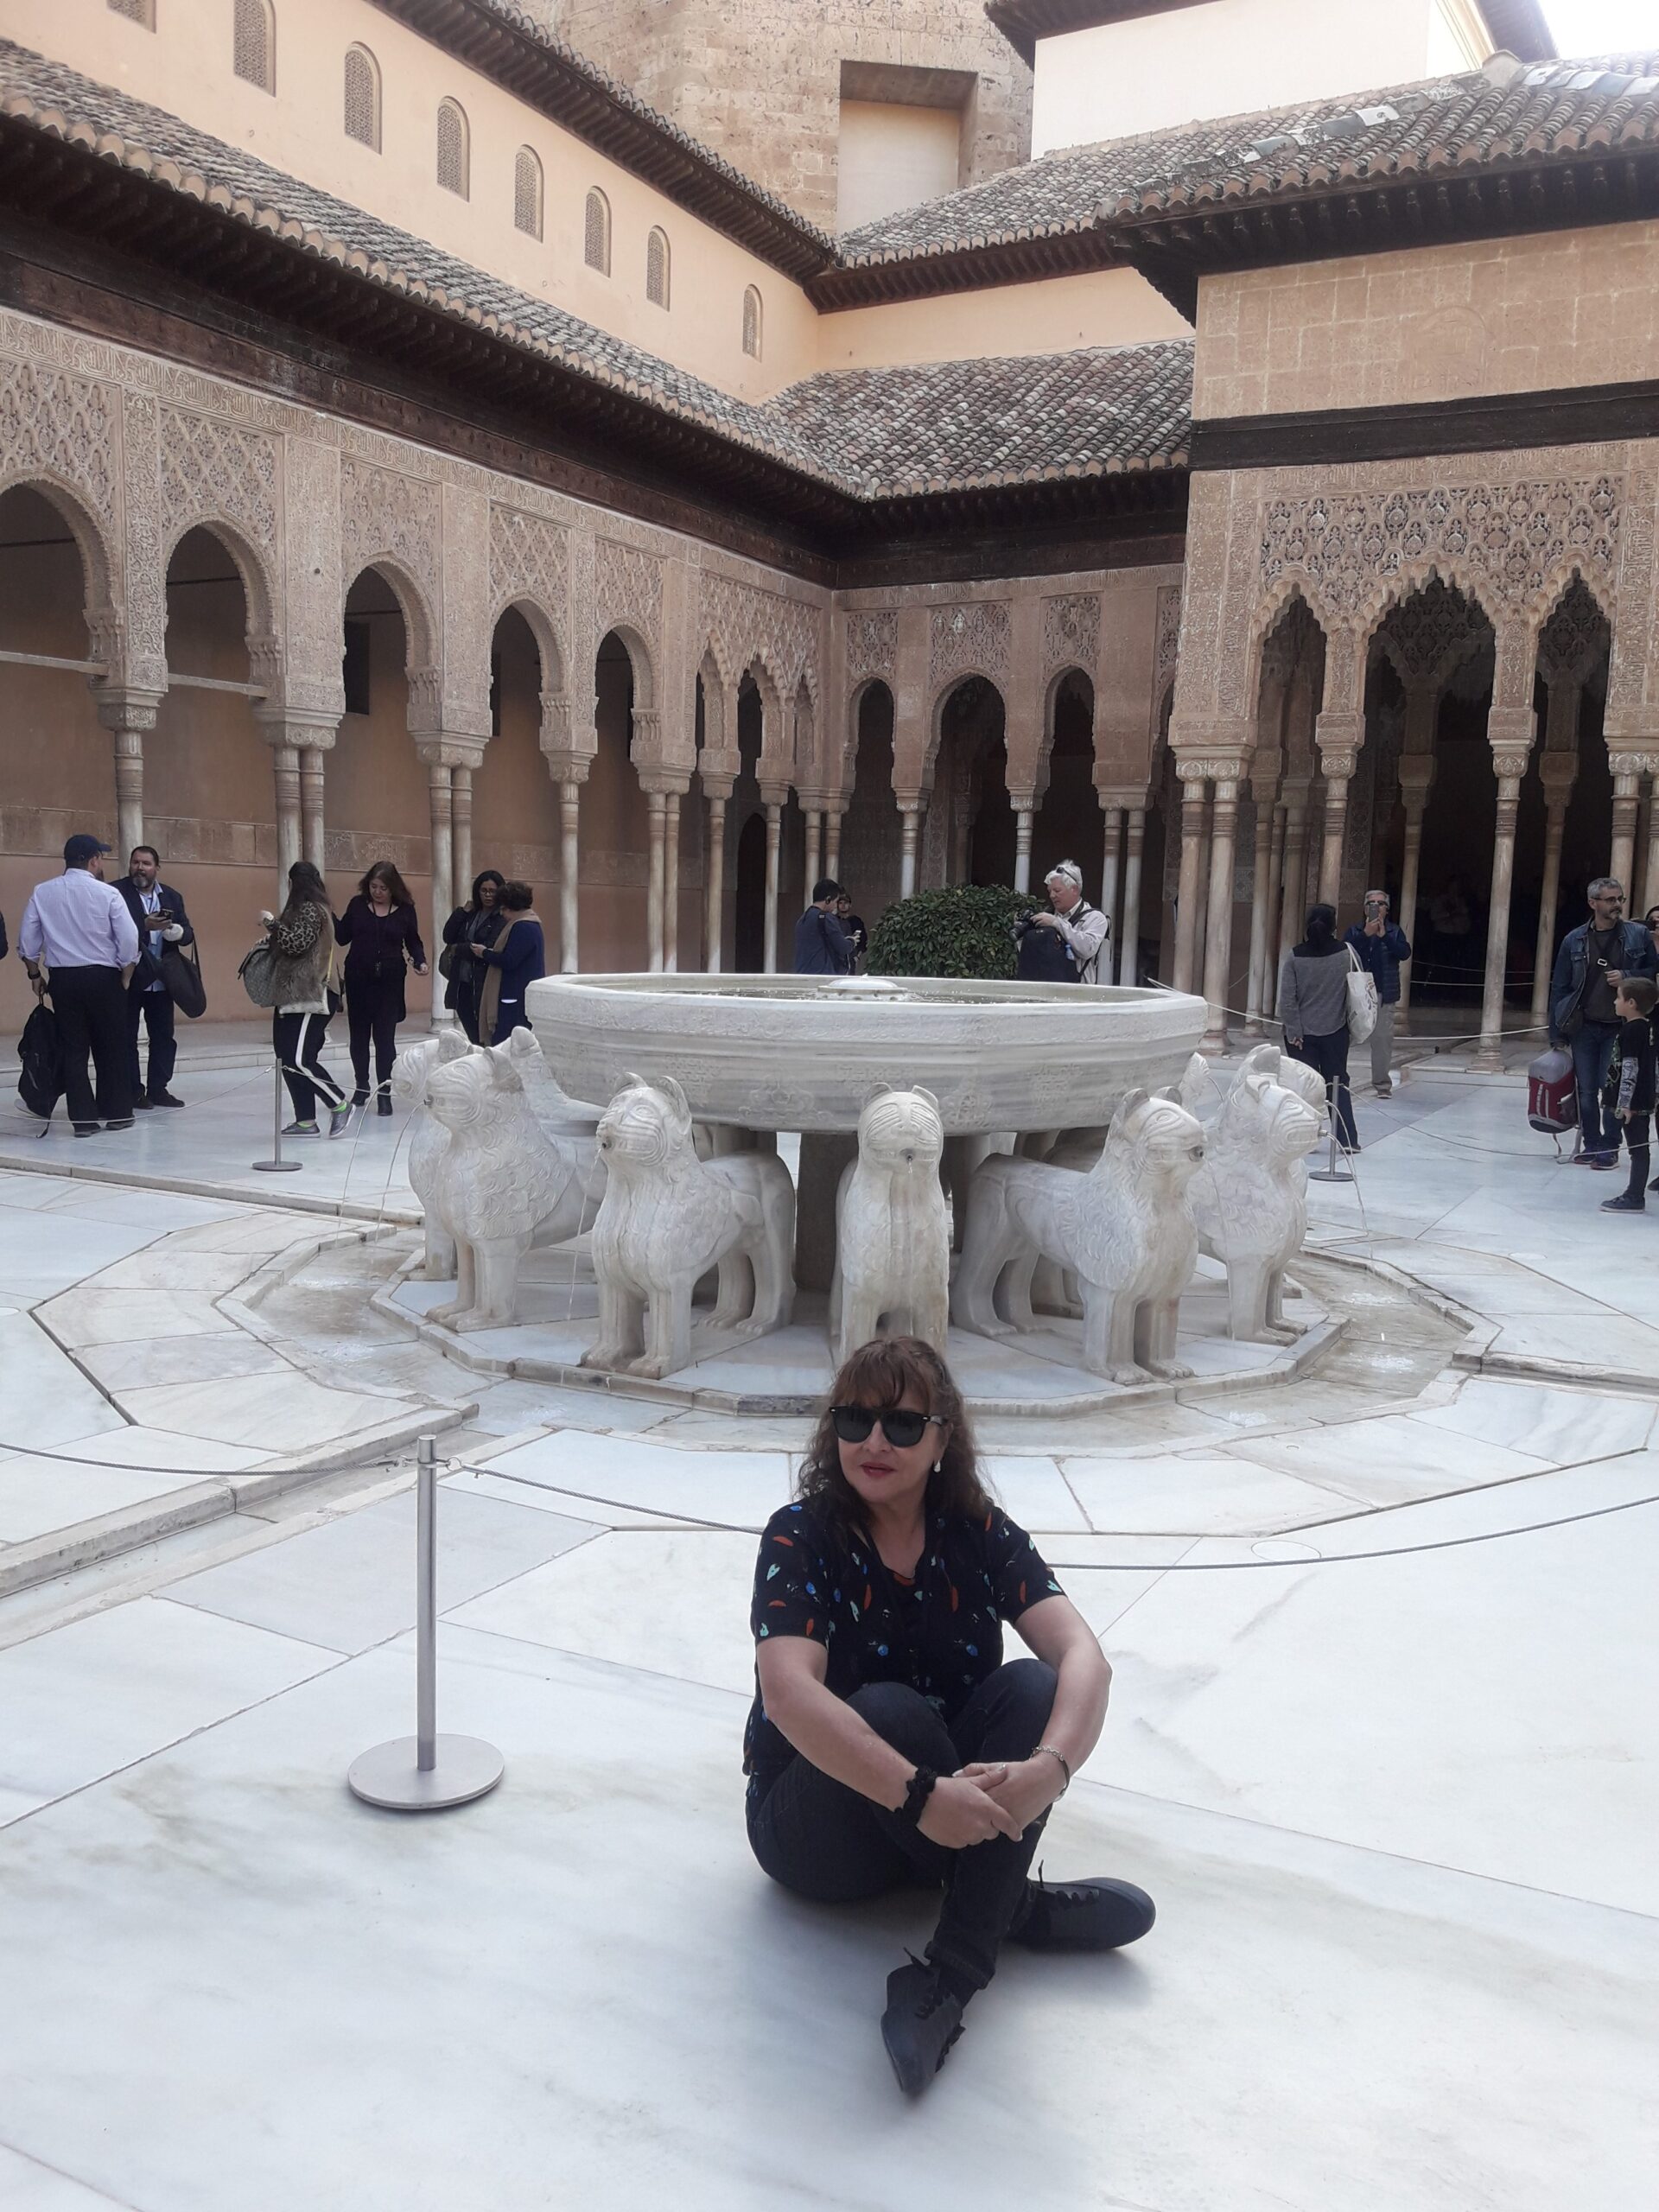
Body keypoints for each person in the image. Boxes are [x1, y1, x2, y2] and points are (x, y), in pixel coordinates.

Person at [746, 1336, 1154, 2096]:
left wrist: (1050, 1771)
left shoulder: (976, 1530)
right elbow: (789, 1695)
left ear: (942, 1440)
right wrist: (919, 1795)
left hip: (939, 1816)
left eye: (902, 1424)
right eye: (854, 1420)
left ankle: (955, 1961)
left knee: (1033, 1687)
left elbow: (1083, 1658)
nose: (874, 1442)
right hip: (817, 1829)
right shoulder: (801, 1534)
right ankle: (1004, 1911)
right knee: (887, 1708)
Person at [17, 833, 138, 1137]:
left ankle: (83, 1120)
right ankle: (117, 1113)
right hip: (103, 977)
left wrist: (35, 975)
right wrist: (126, 973)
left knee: (73, 1050)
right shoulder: (108, 893)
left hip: (64, 979)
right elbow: (128, 938)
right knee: (111, 1047)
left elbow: (27, 942)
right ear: (94, 860)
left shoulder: (43, 892)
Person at [1548, 877, 1658, 1169]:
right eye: (1610, 900)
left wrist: (1627, 976)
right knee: (1585, 1091)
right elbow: (1560, 987)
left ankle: (1609, 1147)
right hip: (1584, 1025)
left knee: (1610, 1088)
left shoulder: (1638, 935)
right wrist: (1556, 1033)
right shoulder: (1574, 940)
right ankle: (1592, 1144)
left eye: (1620, 899)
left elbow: (1652, 973)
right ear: (1593, 903)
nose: (1617, 905)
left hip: (1618, 1026)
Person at [262, 861, 353, 1139]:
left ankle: (339, 1104)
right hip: (293, 994)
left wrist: (271, 923)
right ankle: (305, 1120)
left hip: (312, 993)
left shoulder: (311, 909)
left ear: (293, 883)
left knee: (299, 1058)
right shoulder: (311, 909)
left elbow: (296, 944)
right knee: (287, 1058)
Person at [335, 862, 428, 1115]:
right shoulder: (357, 905)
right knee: (359, 1036)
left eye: (383, 888)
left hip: (389, 980)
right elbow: (342, 937)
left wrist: (420, 961)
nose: (377, 892)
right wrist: (328, 914)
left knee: (385, 1039)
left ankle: (384, 1092)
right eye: (373, 887)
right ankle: (361, 1086)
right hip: (358, 977)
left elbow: (413, 940)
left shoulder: (405, 910)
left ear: (393, 888)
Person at [1278, 901, 1360, 1152]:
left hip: (1302, 1035)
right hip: (1336, 1030)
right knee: (1337, 1084)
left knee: (1305, 1088)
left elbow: (1287, 999)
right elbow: (1355, 988)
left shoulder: (1295, 956)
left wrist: (1294, 1032)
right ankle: (1347, 1140)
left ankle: (1307, 1139)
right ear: (1334, 927)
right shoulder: (1346, 953)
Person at [117, 844, 193, 1110]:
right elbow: (108, 930)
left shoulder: (171, 896)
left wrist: (177, 932)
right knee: (126, 1037)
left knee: (163, 1036)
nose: (140, 868)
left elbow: (189, 934)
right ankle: (133, 1091)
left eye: (146, 863)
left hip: (162, 979)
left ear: (156, 868)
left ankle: (159, 1088)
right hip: (130, 977)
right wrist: (143, 925)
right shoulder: (116, 892)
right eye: (136, 862)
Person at [1599, 976, 1657, 1215]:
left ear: (1631, 1003)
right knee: (1639, 1148)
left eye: (1618, 997)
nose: (1615, 1002)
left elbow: (1631, 1067)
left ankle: (1634, 1197)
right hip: (1642, 1098)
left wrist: (1625, 1104)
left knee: (1638, 1149)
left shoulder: (1632, 1030)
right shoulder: (1648, 1027)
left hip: (1633, 1104)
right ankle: (1634, 1194)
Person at [1344, 889, 1410, 1097]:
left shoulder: (1394, 931)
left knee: (1382, 1041)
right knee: (1344, 1038)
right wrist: (1366, 934)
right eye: (1371, 904)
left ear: (1387, 909)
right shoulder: (1355, 931)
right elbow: (1346, 952)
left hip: (1383, 993)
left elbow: (1404, 953)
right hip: (1357, 993)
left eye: (1380, 904)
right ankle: (1338, 1081)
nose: (1376, 907)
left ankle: (1382, 1085)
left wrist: (1385, 937)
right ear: (1365, 909)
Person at [474, 880, 545, 1044]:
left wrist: (484, 953)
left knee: (507, 1042)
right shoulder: (530, 924)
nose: (501, 913)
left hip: (514, 996)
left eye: (503, 908)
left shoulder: (523, 927)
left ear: (510, 907)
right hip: (519, 994)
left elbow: (510, 960)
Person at [442, 868, 507, 1044]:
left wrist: (457, 948)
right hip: (462, 981)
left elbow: (487, 947)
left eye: (492, 891)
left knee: (485, 1034)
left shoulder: (501, 917)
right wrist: (461, 912)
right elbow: (447, 936)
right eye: (484, 891)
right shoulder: (471, 913)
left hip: (484, 982)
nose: (488, 895)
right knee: (471, 1032)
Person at [1027, 861, 1108, 983]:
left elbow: (1087, 949)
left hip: (1078, 990)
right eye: (1050, 891)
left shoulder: (1095, 917)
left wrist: (1057, 924)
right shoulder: (1047, 915)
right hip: (1045, 986)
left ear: (1074, 889)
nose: (1052, 896)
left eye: (1057, 890)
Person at [794, 877, 853, 976]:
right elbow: (843, 947)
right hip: (822, 974)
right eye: (836, 902)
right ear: (828, 899)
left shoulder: (802, 920)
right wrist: (852, 942)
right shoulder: (827, 918)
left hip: (802, 974)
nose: (836, 906)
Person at [836, 891, 868, 971]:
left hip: (851, 956)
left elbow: (863, 939)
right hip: (836, 957)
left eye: (845, 903)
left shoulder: (856, 921)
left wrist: (857, 956)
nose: (843, 905)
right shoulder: (833, 920)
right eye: (840, 903)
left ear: (850, 905)